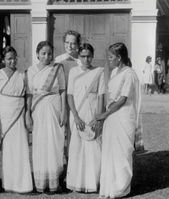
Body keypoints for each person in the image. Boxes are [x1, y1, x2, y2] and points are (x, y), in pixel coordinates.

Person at [95, 43, 141, 198]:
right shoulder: (114, 72)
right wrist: (107, 114)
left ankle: (121, 187)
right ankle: (110, 186)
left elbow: (122, 99)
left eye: (111, 57)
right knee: (110, 151)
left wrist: (104, 114)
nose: (108, 60)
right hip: (112, 116)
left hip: (123, 116)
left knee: (122, 152)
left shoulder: (129, 73)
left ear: (119, 57)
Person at [26, 41, 67, 192]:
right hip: (38, 109)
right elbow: (29, 95)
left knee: (55, 142)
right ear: (37, 54)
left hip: (54, 106)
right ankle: (41, 182)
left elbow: (62, 90)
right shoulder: (30, 71)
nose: (46, 56)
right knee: (40, 143)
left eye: (49, 53)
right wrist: (28, 115)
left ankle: (55, 181)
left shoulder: (58, 68)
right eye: (43, 53)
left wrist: (63, 112)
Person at [0, 46, 33, 193]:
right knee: (8, 149)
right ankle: (8, 183)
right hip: (5, 115)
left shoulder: (23, 74)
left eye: (14, 58)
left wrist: (27, 114)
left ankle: (22, 183)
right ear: (3, 60)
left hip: (19, 114)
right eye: (9, 58)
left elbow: (28, 96)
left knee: (21, 147)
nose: (12, 61)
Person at [66, 43, 105, 192]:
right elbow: (70, 95)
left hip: (92, 113)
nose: (86, 59)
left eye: (89, 56)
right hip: (78, 113)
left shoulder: (99, 71)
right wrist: (75, 116)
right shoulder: (73, 72)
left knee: (94, 147)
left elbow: (101, 96)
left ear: (92, 56)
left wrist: (98, 117)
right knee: (77, 147)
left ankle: (92, 182)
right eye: (83, 56)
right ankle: (77, 181)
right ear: (79, 56)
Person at [54, 30, 81, 161]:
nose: (70, 46)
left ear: (78, 45)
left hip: (76, 103)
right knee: (58, 133)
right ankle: (59, 166)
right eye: (67, 43)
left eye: (73, 43)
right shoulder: (57, 61)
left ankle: (72, 163)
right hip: (59, 102)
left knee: (73, 133)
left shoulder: (82, 62)